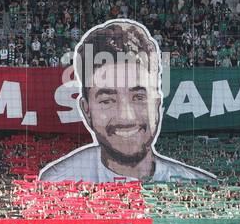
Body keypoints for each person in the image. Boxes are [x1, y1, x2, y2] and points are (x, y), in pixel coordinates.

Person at [38, 18, 216, 183]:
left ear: (157, 103)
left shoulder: (197, 184)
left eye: (139, 97)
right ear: (86, 110)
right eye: (107, 100)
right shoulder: (55, 181)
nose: (126, 117)